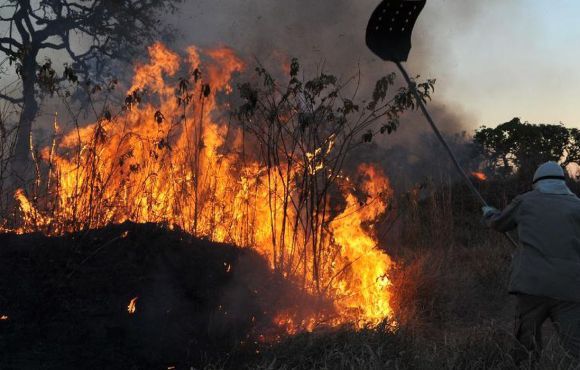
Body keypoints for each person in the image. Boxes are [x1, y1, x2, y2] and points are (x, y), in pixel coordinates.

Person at [482, 161, 580, 361]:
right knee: (575, 346)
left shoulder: (525, 201)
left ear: (537, 182)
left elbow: (499, 223)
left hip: (531, 285)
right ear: (563, 182)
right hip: (569, 287)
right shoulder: (577, 205)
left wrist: (489, 213)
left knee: (525, 347)